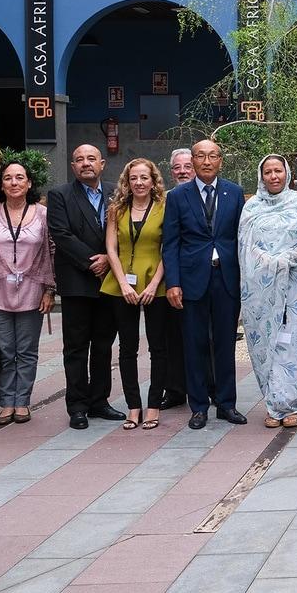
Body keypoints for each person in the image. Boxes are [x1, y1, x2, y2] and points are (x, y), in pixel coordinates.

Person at [163, 139, 247, 429]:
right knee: (195, 344)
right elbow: (170, 243)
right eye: (201, 156)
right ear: (193, 161)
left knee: (225, 343)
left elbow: (241, 240)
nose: (207, 161)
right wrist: (172, 283)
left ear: (221, 160)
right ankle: (198, 407)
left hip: (226, 279)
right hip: (191, 280)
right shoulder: (177, 196)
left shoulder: (235, 193)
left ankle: (226, 404)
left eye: (212, 156)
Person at [0, 159, 54, 426]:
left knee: (27, 351)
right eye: (8, 178)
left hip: (32, 292)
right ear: (1, 184)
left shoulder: (43, 214)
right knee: (4, 351)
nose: (14, 182)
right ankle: (6, 402)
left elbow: (52, 252)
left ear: (29, 183)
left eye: (20, 177)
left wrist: (50, 290)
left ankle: (22, 402)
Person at [239, 155, 297, 429]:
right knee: (267, 342)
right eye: (268, 172)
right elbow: (245, 246)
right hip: (262, 287)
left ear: (287, 173)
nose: (274, 176)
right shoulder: (250, 208)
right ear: (261, 176)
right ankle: (273, 404)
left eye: (278, 171)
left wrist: (286, 259)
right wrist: (268, 262)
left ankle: (293, 405)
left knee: (294, 341)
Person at [47, 144, 122, 429]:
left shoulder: (118, 191)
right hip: (78, 281)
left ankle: (99, 401)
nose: (86, 164)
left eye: (91, 159)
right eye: (79, 160)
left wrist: (109, 258)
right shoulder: (59, 195)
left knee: (103, 345)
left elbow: (126, 230)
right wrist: (94, 261)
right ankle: (77, 405)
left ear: (102, 163)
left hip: (110, 281)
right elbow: (61, 235)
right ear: (72, 165)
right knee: (76, 347)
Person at [103, 158, 168, 430]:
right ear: (126, 182)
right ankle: (133, 406)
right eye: (134, 178)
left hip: (157, 282)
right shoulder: (116, 209)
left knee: (158, 347)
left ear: (153, 181)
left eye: (144, 177)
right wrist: (124, 284)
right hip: (121, 284)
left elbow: (169, 248)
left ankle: (153, 405)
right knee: (127, 348)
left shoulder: (165, 208)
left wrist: (153, 285)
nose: (139, 183)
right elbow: (111, 249)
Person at [160, 147, 195, 409]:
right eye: (177, 168)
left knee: (204, 335)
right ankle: (174, 390)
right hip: (169, 276)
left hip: (202, 276)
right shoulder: (163, 199)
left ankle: (209, 387)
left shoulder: (214, 194)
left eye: (187, 166)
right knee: (171, 336)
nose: (182, 171)